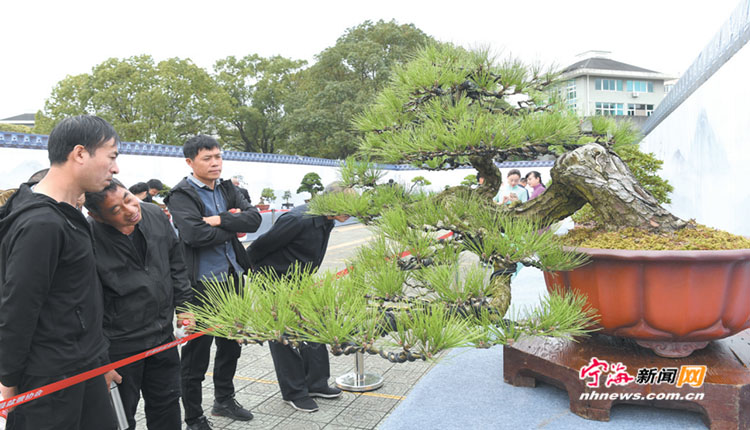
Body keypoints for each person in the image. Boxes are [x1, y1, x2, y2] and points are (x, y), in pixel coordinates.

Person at [0, 115, 120, 430]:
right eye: (111, 157)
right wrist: (7, 379)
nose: (116, 168)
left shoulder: (66, 214)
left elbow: (76, 296)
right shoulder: (42, 223)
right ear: (80, 154)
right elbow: (19, 306)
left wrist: (100, 359)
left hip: (82, 365)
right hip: (51, 380)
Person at [165, 134, 261, 430]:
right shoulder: (180, 195)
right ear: (190, 162)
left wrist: (218, 220)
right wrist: (233, 223)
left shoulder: (228, 187)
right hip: (201, 285)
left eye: (218, 156)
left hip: (232, 279)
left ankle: (224, 399)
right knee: (196, 355)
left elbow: (254, 220)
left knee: (231, 345)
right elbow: (194, 235)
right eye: (207, 158)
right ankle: (193, 416)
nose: (215, 163)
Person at [84, 178, 193, 430]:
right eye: (116, 210)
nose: (130, 210)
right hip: (119, 346)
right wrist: (101, 360)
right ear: (96, 216)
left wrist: (185, 306)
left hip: (162, 336)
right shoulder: (87, 237)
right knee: (120, 418)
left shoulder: (154, 213)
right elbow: (86, 305)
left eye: (128, 199)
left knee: (167, 404)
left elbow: (175, 261)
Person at [246, 183, 351, 413]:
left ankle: (316, 383)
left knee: (315, 328)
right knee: (283, 337)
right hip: (275, 282)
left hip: (301, 281)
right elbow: (257, 249)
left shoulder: (327, 219)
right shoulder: (297, 219)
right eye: (349, 206)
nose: (353, 211)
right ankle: (294, 392)